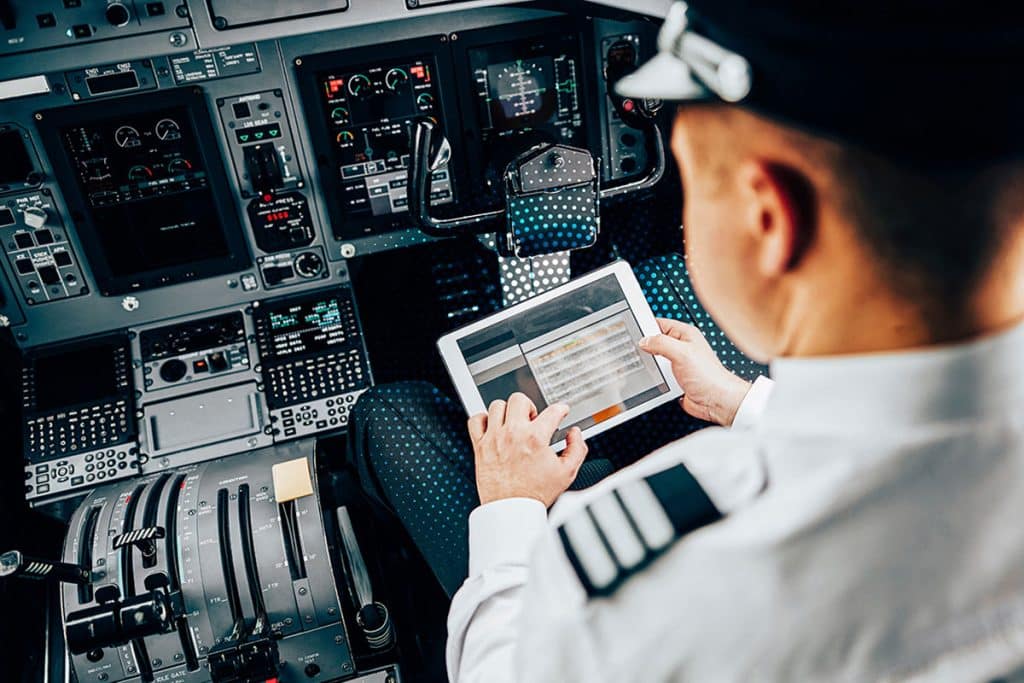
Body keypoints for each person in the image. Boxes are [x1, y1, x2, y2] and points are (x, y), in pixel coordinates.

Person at [351, 1, 1024, 679]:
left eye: (693, 174)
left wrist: (510, 510)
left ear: (770, 220)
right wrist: (742, 402)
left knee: (390, 413)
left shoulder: (635, 581)